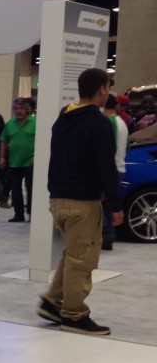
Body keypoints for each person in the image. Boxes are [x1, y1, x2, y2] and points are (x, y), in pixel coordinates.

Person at [37, 68, 123, 336]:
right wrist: (117, 205)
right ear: (101, 89)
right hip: (82, 202)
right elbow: (106, 166)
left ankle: (53, 301)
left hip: (58, 199)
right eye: (107, 87)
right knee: (83, 259)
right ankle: (74, 315)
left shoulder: (64, 117)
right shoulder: (98, 123)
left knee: (73, 253)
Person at [0, 98, 36, 222]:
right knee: (15, 189)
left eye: (21, 108)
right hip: (14, 161)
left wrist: (37, 156)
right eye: (16, 108)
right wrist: (2, 158)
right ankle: (18, 214)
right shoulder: (10, 124)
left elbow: (42, 140)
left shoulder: (35, 122)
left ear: (27, 110)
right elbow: (4, 141)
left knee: (31, 189)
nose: (19, 111)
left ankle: (31, 214)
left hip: (30, 161)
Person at [101, 93, 129, 250]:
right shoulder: (121, 122)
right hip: (120, 165)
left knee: (104, 204)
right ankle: (107, 236)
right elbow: (127, 147)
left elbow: (106, 149)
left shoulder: (108, 122)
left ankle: (106, 237)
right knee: (108, 203)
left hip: (111, 168)